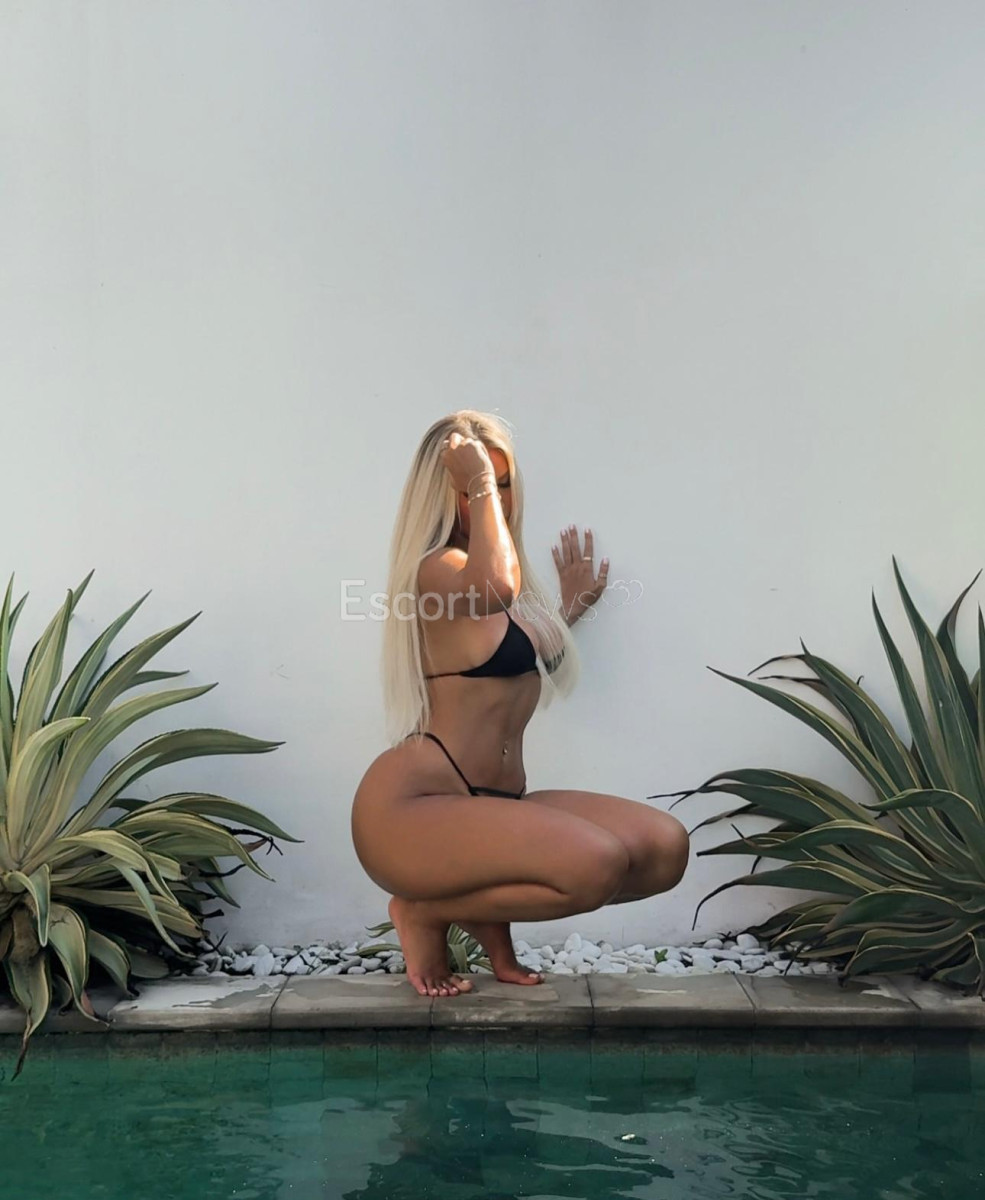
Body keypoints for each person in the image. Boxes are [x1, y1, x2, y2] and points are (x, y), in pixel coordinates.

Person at [350, 410, 689, 998]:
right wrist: (479, 482)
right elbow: (494, 586)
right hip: (415, 806)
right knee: (595, 864)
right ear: (441, 494)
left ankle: (478, 920)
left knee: (663, 849)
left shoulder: (503, 591)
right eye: (470, 485)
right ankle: (424, 911)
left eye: (504, 483)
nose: (495, 497)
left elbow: (516, 644)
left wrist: (569, 607)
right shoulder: (437, 571)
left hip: (495, 800)